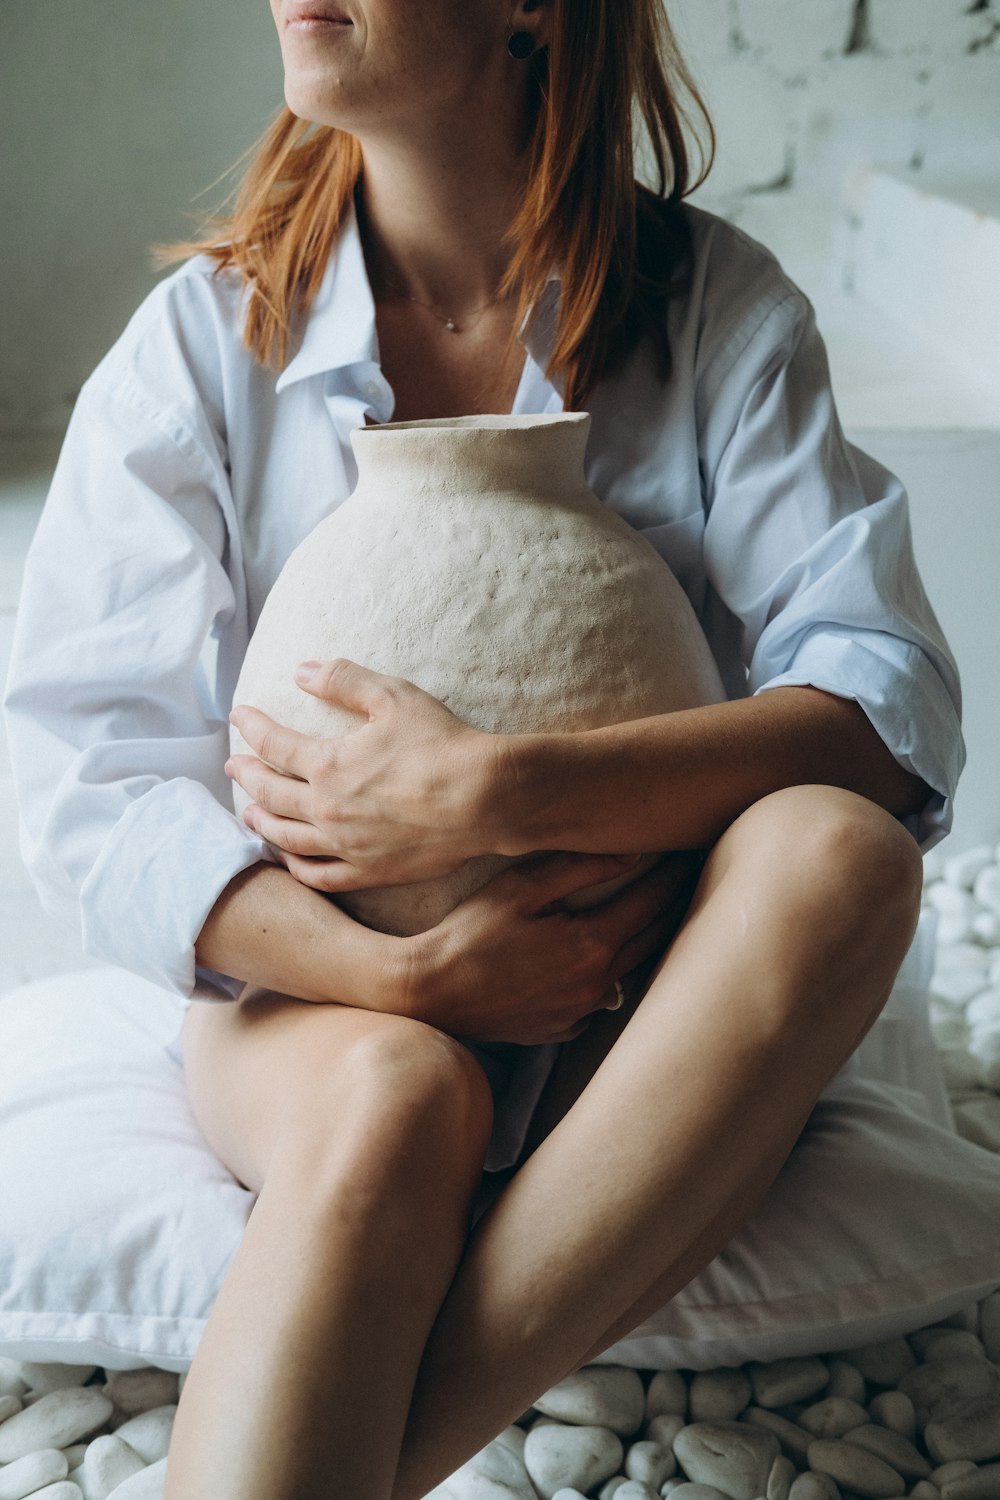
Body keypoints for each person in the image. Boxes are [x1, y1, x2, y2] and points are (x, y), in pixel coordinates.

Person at [1, 1, 965, 1497]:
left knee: (839, 850)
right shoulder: (206, 340)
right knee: (402, 1092)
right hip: (314, 1000)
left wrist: (491, 790)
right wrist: (408, 976)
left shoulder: (714, 308)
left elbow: (889, 703)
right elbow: (84, 786)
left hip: (633, 1002)